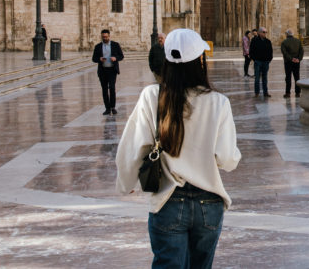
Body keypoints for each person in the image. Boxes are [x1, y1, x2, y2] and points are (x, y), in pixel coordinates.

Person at [116, 28, 241, 269]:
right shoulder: (218, 102)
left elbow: (133, 147)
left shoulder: (151, 96)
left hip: (168, 201)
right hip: (209, 204)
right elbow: (227, 159)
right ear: (200, 61)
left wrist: (127, 182)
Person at [91, 28, 124, 115]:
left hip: (112, 70)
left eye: (106, 37)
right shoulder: (98, 47)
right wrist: (99, 59)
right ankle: (107, 108)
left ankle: (113, 107)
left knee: (112, 88)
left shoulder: (115, 45)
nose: (105, 38)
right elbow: (93, 58)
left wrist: (115, 58)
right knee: (104, 89)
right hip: (102, 71)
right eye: (103, 37)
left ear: (109, 36)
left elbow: (121, 56)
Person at [250, 28, 273, 98]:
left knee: (265, 78)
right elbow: (251, 50)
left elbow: (270, 51)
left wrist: (269, 60)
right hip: (258, 61)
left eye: (266, 32)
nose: (265, 33)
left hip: (265, 62)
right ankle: (257, 93)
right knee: (257, 78)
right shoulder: (254, 41)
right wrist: (254, 59)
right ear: (259, 33)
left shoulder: (268, 41)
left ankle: (265, 92)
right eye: (263, 32)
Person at [281, 29, 303, 98]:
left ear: (287, 34)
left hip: (288, 62)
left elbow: (284, 53)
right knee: (297, 77)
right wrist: (298, 59)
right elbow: (301, 51)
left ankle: (288, 93)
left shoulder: (284, 42)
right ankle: (298, 93)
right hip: (296, 62)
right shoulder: (298, 41)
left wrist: (291, 59)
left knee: (288, 77)